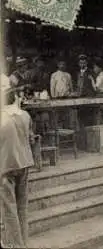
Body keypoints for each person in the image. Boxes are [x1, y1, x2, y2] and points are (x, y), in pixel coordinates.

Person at [0, 87, 36, 248]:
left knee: (9, 207)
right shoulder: (25, 115)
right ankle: (24, 241)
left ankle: (16, 244)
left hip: (6, 166)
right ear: (15, 98)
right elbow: (31, 138)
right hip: (24, 163)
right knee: (22, 206)